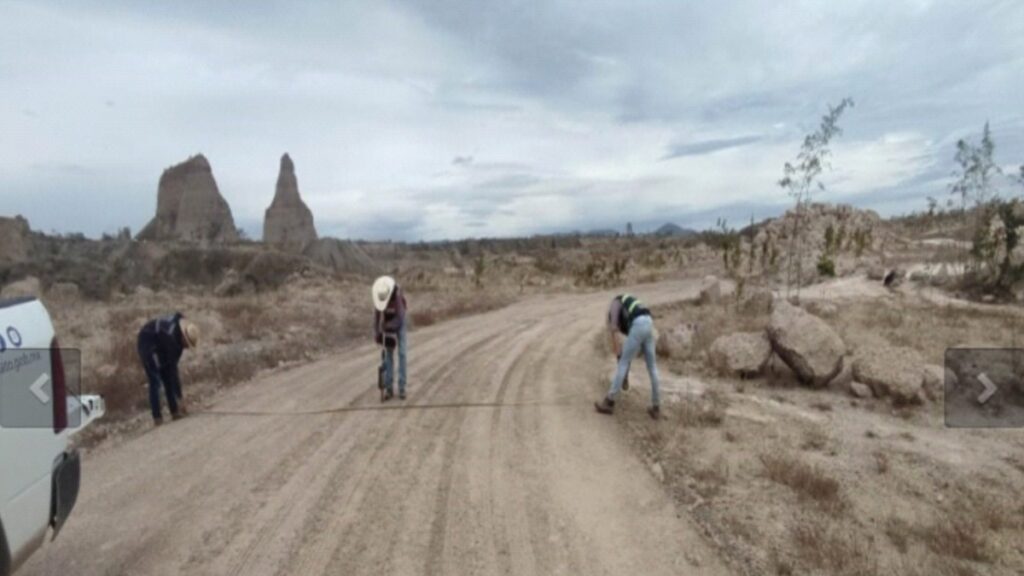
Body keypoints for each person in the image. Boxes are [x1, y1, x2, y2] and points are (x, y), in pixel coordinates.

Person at [595, 294, 661, 420]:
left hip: (639, 324)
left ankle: (609, 402)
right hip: (648, 322)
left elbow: (614, 332)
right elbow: (629, 342)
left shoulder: (615, 304)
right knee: (652, 367)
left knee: (623, 363)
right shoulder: (628, 306)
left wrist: (619, 354)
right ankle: (656, 407)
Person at [137, 312, 199, 426]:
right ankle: (157, 417)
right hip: (147, 342)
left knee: (167, 376)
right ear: (183, 337)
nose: (186, 347)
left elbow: (172, 371)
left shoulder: (178, 341)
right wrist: (180, 398)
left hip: (160, 343)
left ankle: (174, 411)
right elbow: (174, 371)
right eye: (187, 343)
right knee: (155, 380)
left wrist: (179, 397)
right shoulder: (171, 339)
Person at [372, 275, 408, 401]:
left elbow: (400, 318)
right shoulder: (378, 296)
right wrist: (377, 333)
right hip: (387, 322)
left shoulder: (396, 295)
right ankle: (388, 389)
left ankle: (402, 387)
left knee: (402, 353)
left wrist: (388, 326)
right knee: (388, 355)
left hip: (400, 321)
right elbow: (376, 318)